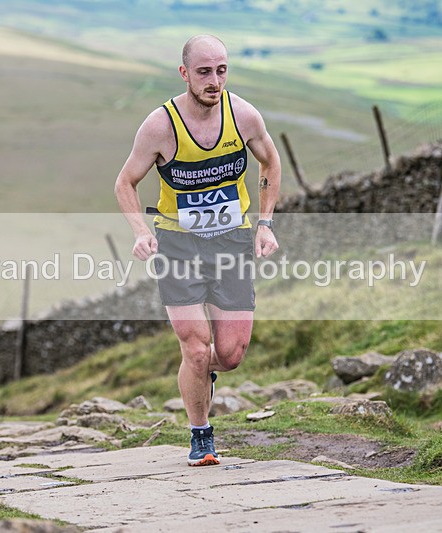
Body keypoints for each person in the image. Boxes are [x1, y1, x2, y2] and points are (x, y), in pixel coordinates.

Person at [114, 34, 281, 466]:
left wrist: (264, 225)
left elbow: (270, 162)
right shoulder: (160, 126)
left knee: (229, 355)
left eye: (222, 70)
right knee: (195, 348)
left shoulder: (243, 116)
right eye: (204, 72)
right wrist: (138, 232)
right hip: (178, 246)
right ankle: (200, 433)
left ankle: (201, 374)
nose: (214, 80)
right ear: (185, 73)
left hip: (230, 245)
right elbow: (124, 182)